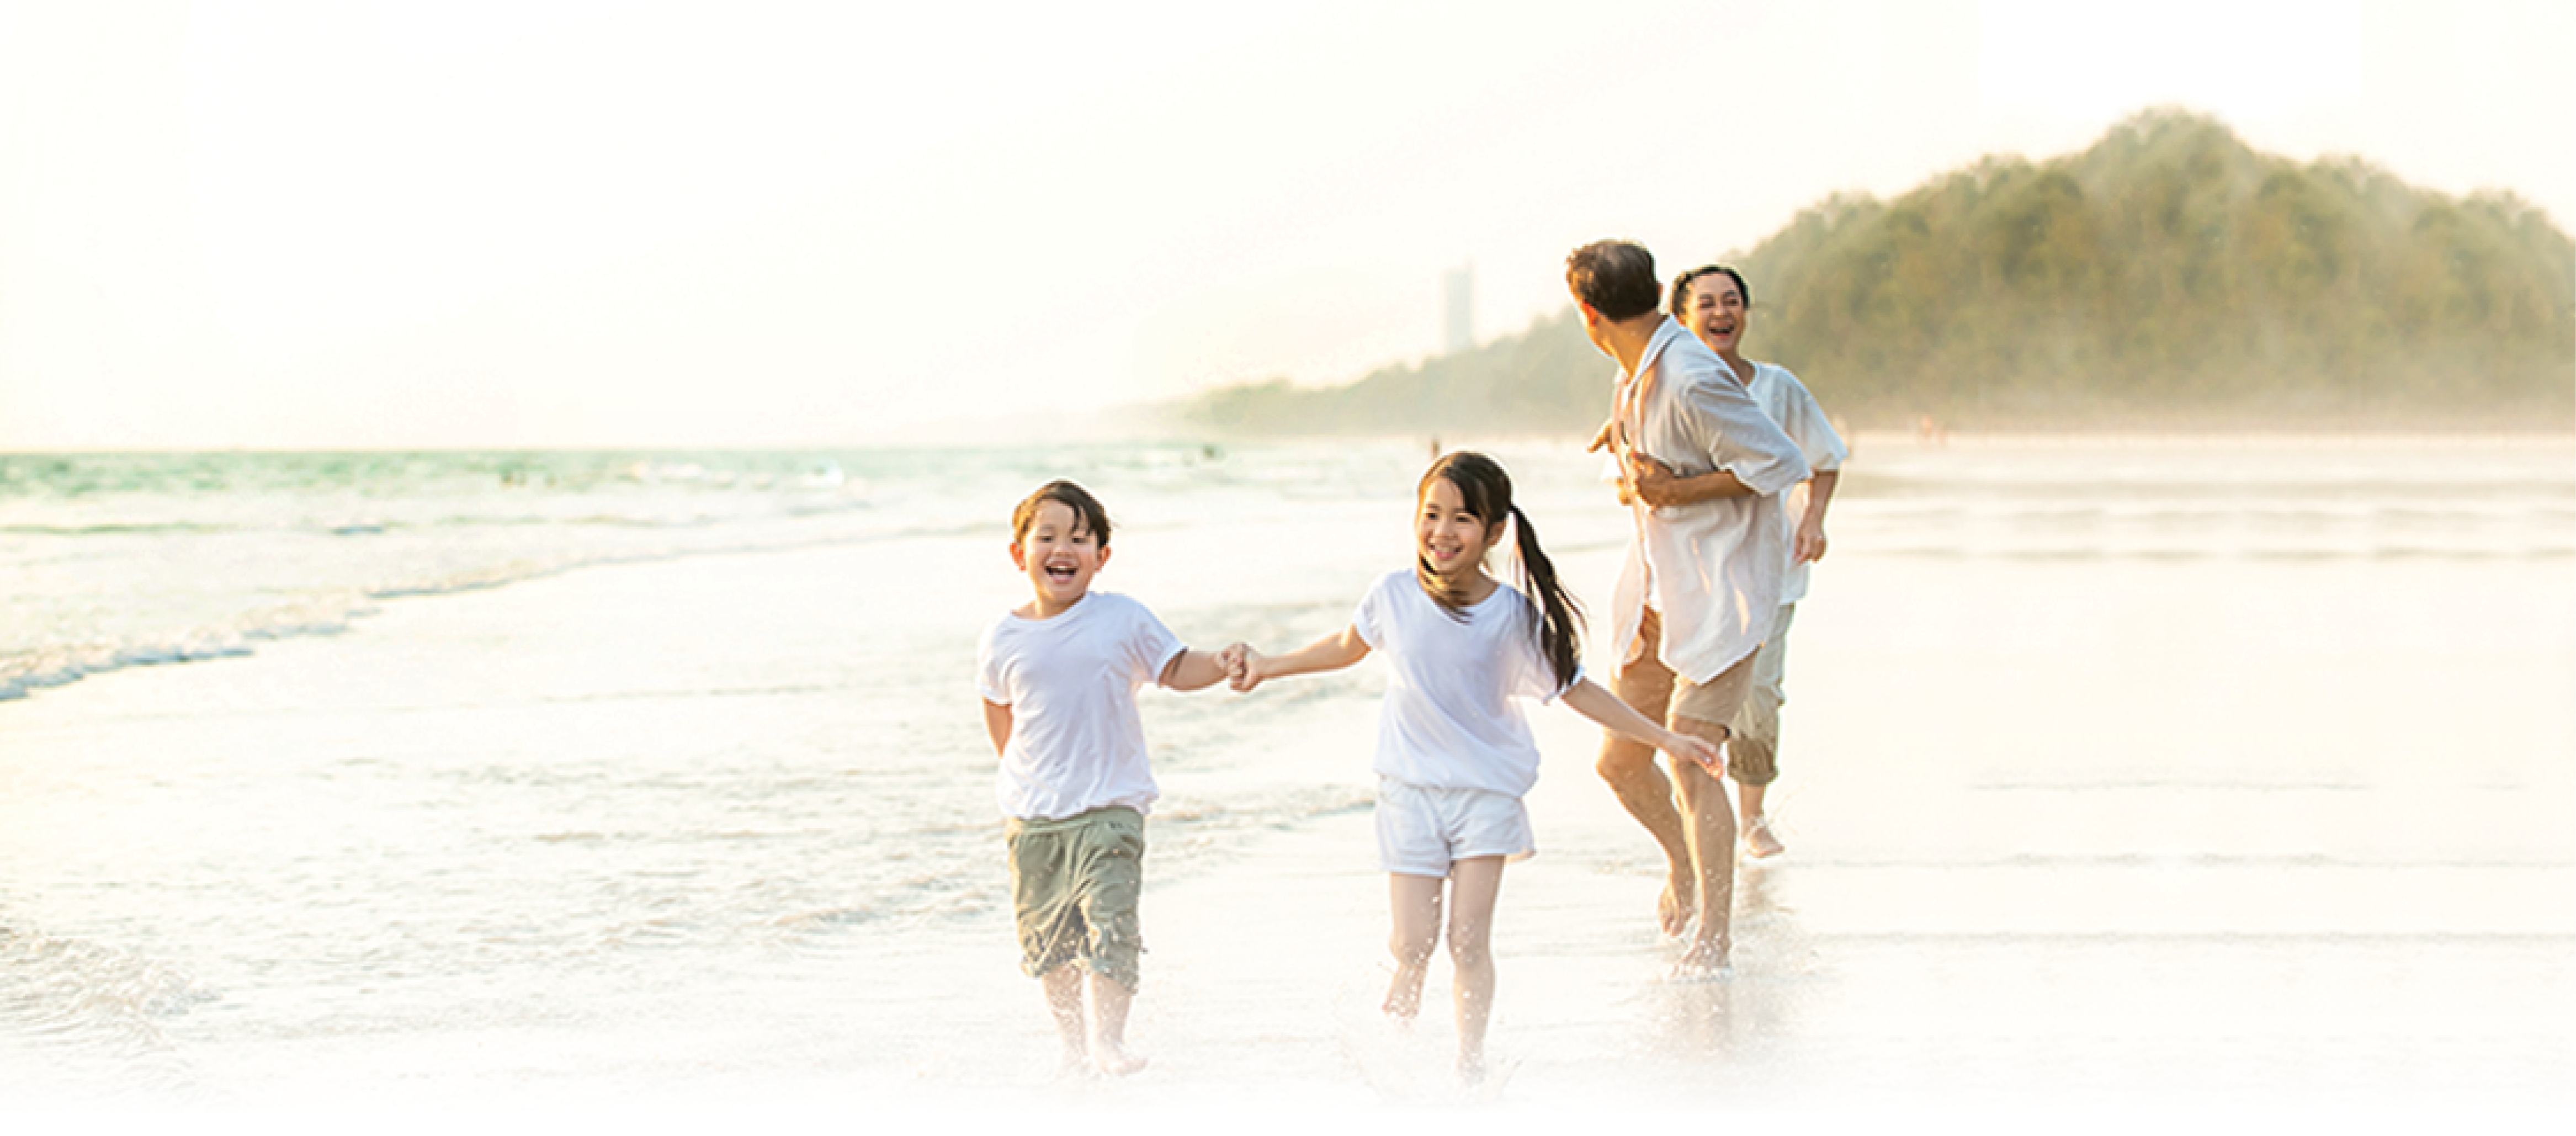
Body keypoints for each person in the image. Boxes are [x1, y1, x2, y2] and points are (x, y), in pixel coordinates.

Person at [1228, 452, 1724, 1081]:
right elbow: (1346, 646)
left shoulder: (1510, 614)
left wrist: (1665, 739)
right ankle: (1392, 1059)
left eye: (1461, 519)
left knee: (1466, 940)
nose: (1441, 532)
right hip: (1409, 793)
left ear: (1493, 532)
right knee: (1410, 945)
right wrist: (1267, 666)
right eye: (1430, 515)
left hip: (1485, 795)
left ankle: (1470, 1067)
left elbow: (1575, 689)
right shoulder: (1392, 594)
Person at [1566, 240, 1809, 976]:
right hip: (1658, 593)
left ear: (1586, 312)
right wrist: (1626, 445)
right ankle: (1682, 860)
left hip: (1723, 596)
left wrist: (1673, 490)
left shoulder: (1692, 375)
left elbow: (1780, 461)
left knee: (1693, 758)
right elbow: (1656, 456)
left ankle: (1713, 940)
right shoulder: (1635, 372)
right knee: (1619, 762)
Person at [975, 479, 1235, 1077]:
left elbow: (1175, 667)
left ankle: (1109, 1040)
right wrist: (1022, 772)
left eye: (1078, 538)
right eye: (1046, 537)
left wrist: (1221, 663)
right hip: (1034, 819)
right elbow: (997, 707)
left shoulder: (1121, 618)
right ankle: (1072, 1048)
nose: (1061, 549)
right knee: (1051, 942)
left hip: (1110, 806)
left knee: (1111, 920)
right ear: (1018, 553)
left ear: (1100, 557)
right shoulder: (1002, 636)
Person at [1659, 264, 1849, 857]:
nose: (1721, 313)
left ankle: (1750, 817)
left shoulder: (1777, 387)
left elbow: (1823, 458)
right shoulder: (1668, 386)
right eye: (1706, 304)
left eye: (1731, 301)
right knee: (1696, 695)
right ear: (1681, 319)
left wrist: (1812, 518)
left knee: (1759, 694)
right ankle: (1698, 817)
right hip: (1696, 571)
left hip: (1769, 567)